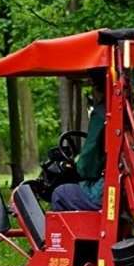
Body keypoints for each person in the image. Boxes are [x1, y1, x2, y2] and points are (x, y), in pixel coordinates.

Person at [49, 70, 106, 211]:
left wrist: (78, 163)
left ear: (98, 88)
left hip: (105, 190)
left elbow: (86, 166)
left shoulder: (102, 114)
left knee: (60, 193)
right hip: (124, 185)